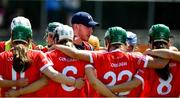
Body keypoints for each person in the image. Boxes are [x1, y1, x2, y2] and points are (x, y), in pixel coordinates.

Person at [51, 26, 169, 97]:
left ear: (107, 42)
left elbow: (74, 53)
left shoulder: (99, 56)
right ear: (125, 43)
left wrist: (56, 46)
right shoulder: (136, 57)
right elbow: (161, 63)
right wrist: (157, 51)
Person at [5, 25, 114, 97]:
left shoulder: (47, 55)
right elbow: (94, 82)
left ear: (56, 40)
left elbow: (46, 79)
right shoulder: (84, 58)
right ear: (72, 38)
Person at [0, 24, 84, 97]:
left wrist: (15, 83)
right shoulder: (38, 55)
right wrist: (75, 82)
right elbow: (46, 79)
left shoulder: (2, 56)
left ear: (11, 39)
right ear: (30, 40)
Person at [107, 24, 180, 97]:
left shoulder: (145, 61)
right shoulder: (177, 59)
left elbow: (133, 84)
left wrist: (104, 89)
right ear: (169, 42)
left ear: (150, 43)